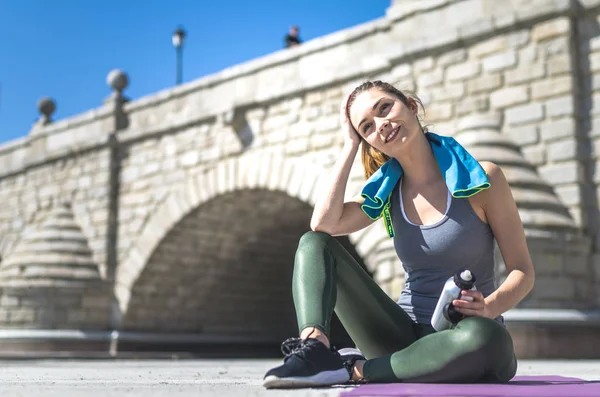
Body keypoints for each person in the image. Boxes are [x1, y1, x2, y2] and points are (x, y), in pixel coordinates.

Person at [262, 80, 536, 389]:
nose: (381, 125)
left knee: (483, 337)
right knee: (314, 243)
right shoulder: (386, 192)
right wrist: (350, 146)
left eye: (384, 108)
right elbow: (323, 225)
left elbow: (522, 271)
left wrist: (490, 307)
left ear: (411, 105)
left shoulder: (481, 179)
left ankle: (357, 370)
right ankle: (315, 349)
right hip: (401, 339)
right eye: (366, 127)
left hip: (470, 338)